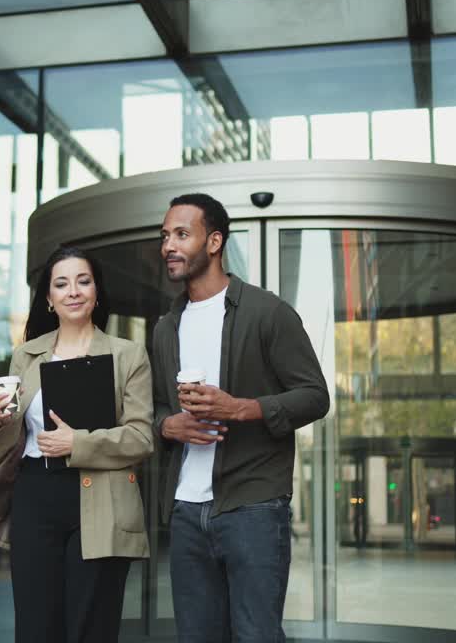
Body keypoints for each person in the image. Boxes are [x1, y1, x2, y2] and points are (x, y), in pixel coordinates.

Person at [0, 246, 154, 643]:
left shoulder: (127, 354)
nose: (73, 292)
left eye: (83, 281)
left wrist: (77, 442)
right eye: (61, 284)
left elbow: (140, 437)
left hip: (100, 498)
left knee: (90, 626)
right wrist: (0, 419)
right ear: (48, 298)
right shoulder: (26, 355)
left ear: (97, 291)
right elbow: (11, 437)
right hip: (35, 495)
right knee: (35, 625)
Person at [153, 194, 330, 643]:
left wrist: (242, 408)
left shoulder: (267, 312)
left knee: (257, 636)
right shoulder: (164, 327)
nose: (168, 246)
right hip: (187, 511)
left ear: (214, 242)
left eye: (181, 234)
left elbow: (315, 396)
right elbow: (154, 408)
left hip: (253, 506)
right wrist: (167, 426)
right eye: (165, 236)